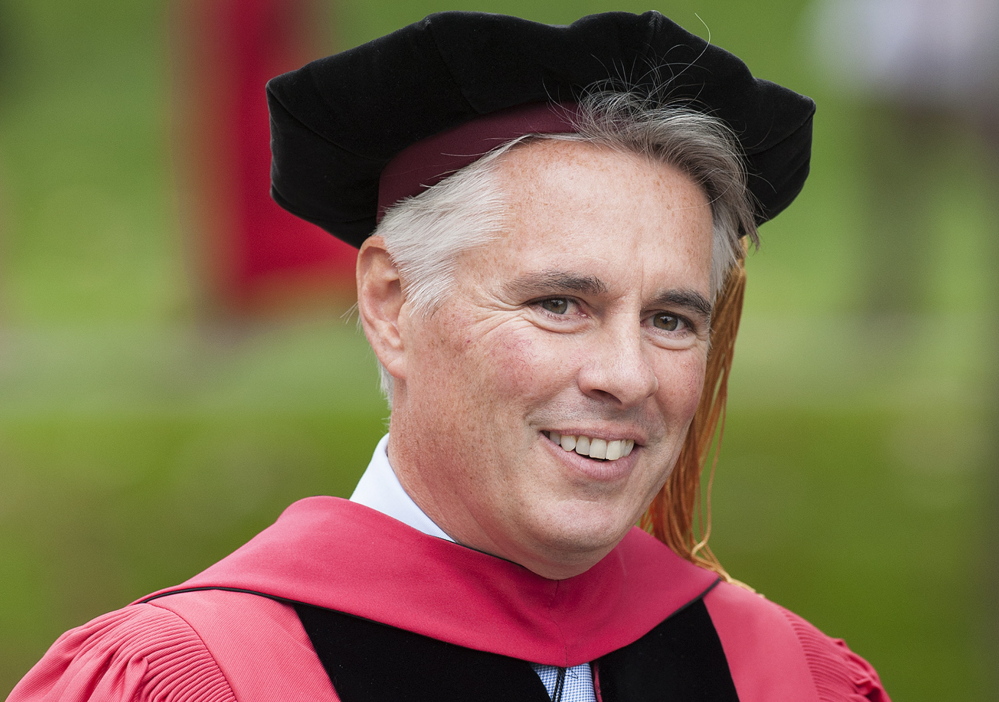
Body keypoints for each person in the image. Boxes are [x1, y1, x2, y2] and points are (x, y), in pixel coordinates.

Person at [7, 11, 889, 702]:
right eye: (558, 304)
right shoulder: (198, 679)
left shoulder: (781, 675)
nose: (625, 376)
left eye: (670, 319)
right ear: (390, 305)